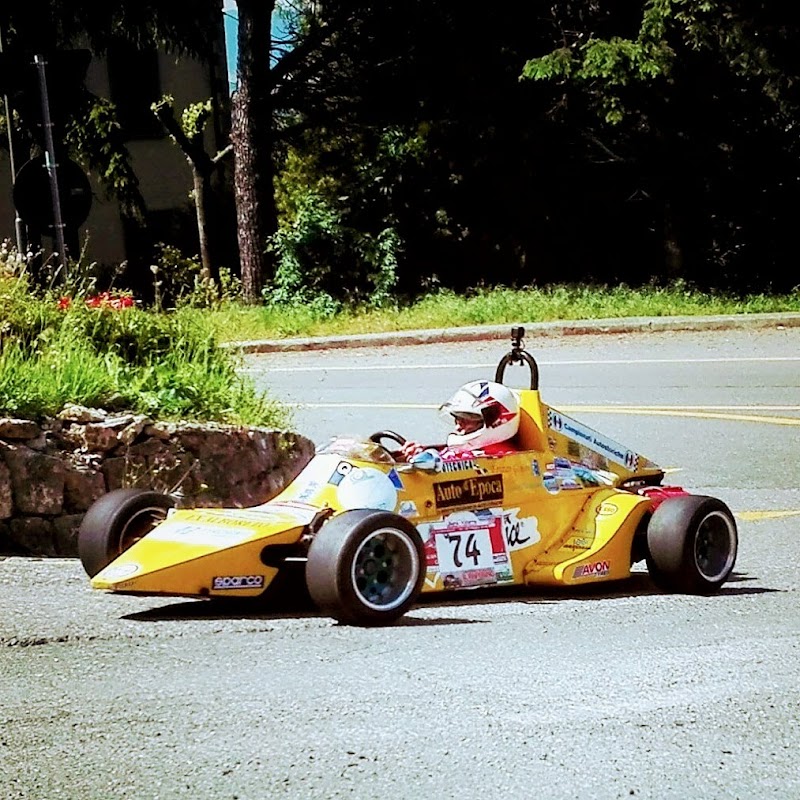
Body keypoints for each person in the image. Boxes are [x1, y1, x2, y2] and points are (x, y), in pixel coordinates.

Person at [399, 379, 521, 462]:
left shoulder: (500, 457)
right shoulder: (467, 447)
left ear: (496, 422)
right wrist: (419, 454)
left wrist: (424, 460)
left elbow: (453, 467)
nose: (458, 427)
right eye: (457, 418)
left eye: (467, 420)